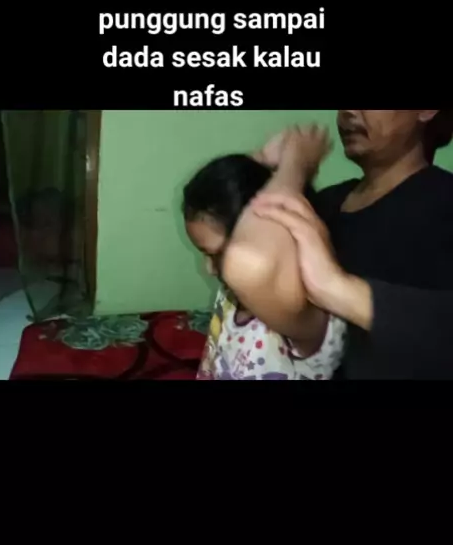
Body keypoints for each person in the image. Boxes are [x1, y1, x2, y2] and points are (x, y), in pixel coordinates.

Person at [238, 110, 453, 379]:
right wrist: (265, 164)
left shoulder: (445, 203)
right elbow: (240, 250)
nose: (348, 112)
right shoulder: (326, 203)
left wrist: (336, 287)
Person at [181, 151, 346, 380]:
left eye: (217, 255)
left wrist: (295, 158)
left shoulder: (308, 319)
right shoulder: (230, 295)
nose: (209, 269)